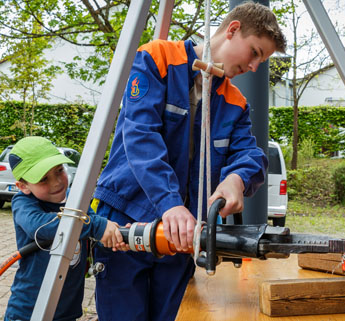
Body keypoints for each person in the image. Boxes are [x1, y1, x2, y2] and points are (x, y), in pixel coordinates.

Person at [93, 2, 286, 320]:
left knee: (176, 314)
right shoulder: (157, 58)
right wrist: (170, 204)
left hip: (184, 233)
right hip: (127, 217)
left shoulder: (235, 102)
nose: (254, 67)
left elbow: (250, 155)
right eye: (254, 52)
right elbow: (140, 138)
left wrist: (237, 178)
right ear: (233, 29)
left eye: (261, 61)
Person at [4, 136, 127, 321]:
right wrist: (97, 226)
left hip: (66, 310)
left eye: (59, 170)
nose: (56, 183)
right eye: (44, 179)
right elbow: (39, 226)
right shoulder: (23, 202)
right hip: (29, 310)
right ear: (23, 186)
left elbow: (94, 223)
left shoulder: (75, 197)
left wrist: (115, 235)